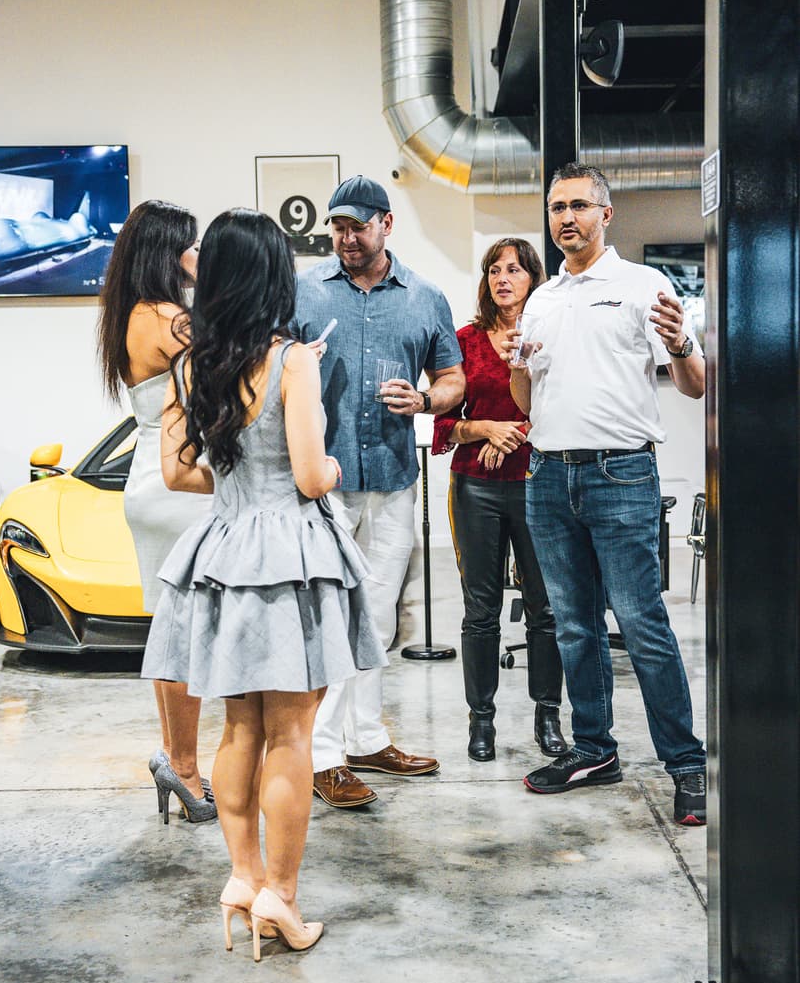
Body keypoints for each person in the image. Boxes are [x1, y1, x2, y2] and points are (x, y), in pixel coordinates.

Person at [140, 208, 386, 958]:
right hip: (291, 556)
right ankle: (282, 895)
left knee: (238, 727)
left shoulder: (189, 365)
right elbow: (312, 475)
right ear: (273, 275)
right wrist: (333, 469)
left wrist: (232, 479)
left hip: (221, 548)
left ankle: (243, 879)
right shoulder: (293, 361)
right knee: (291, 732)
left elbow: (179, 470)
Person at [509, 162, 707, 826]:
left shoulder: (643, 286)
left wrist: (680, 340)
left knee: (643, 624)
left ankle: (686, 765)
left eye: (578, 206)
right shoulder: (541, 298)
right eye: (556, 207)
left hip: (620, 475)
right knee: (574, 625)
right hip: (547, 475)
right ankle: (595, 750)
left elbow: (695, 384)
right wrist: (517, 363)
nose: (565, 217)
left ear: (606, 213)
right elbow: (526, 397)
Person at [293, 175, 465, 808]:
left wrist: (425, 400)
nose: (345, 237)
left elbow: (454, 378)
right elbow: (269, 368)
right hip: (321, 485)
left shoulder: (425, 298)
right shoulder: (302, 290)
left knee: (376, 615)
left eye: (356, 226)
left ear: (386, 225)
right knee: (334, 619)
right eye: (337, 226)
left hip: (393, 479)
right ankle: (323, 755)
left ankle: (364, 737)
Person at [97, 199, 216, 825]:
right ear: (169, 253)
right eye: (189, 247)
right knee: (188, 641)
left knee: (172, 635)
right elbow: (214, 396)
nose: (197, 256)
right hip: (180, 486)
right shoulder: (174, 321)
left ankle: (176, 757)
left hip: (150, 480)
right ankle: (188, 767)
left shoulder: (130, 315)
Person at [432, 238, 566, 763]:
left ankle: (548, 718)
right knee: (481, 611)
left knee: (546, 610)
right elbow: (443, 422)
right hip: (476, 489)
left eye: (514, 269)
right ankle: (481, 722)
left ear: (533, 277)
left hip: (540, 482)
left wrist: (518, 431)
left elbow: (572, 403)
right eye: (494, 269)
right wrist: (485, 428)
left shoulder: (553, 333)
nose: (502, 277)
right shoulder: (463, 340)